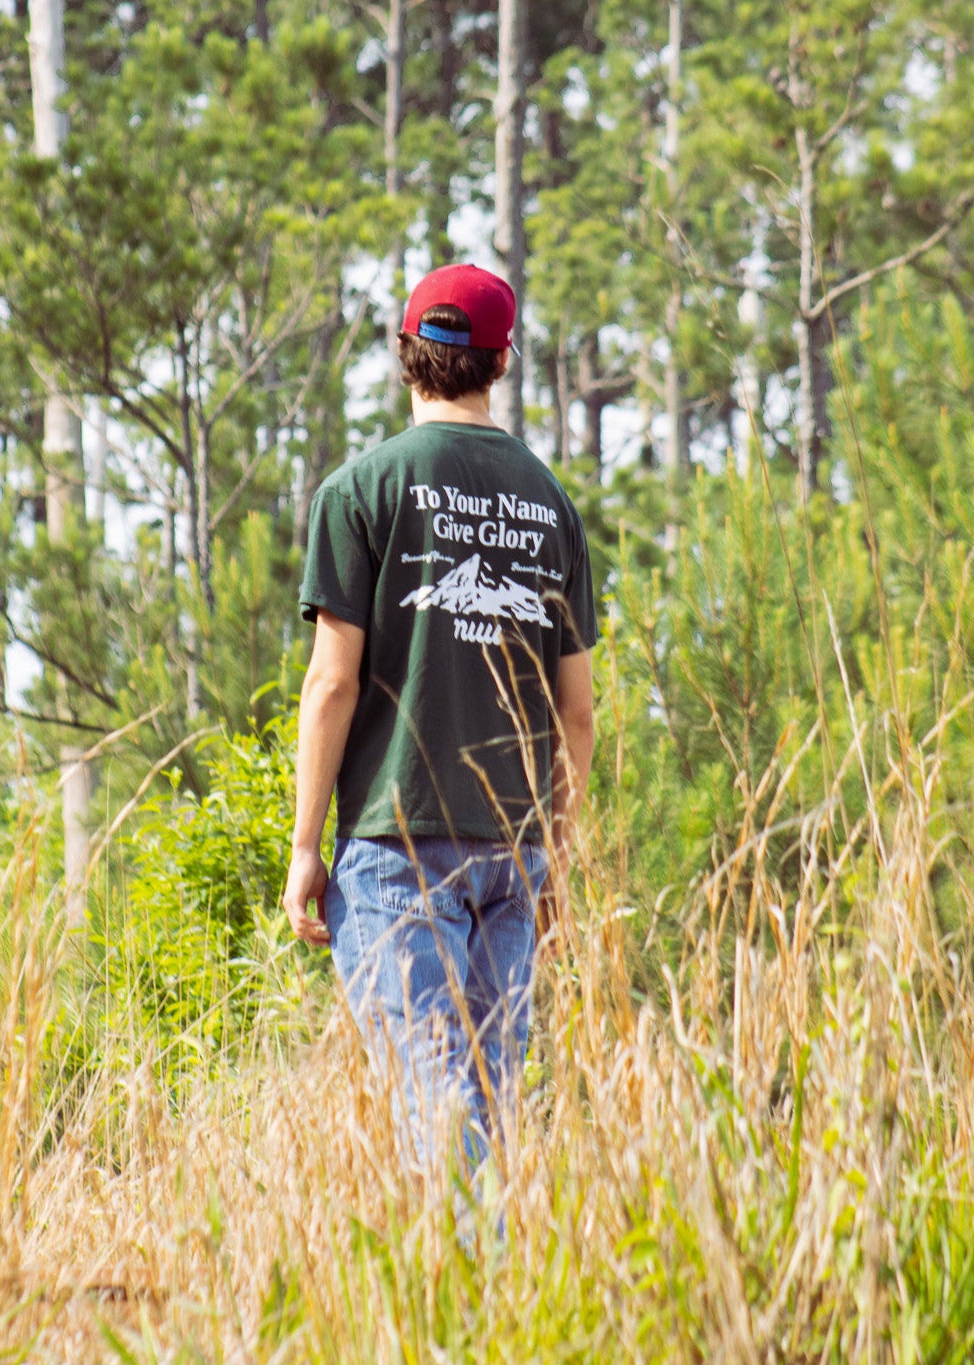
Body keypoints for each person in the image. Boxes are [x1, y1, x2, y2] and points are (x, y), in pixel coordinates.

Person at [281, 263, 597, 1170]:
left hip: (397, 840)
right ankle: (494, 1300)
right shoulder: (552, 506)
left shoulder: (359, 490)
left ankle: (461, 1295)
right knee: (488, 1103)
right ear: (500, 360)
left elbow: (331, 685)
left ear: (405, 356)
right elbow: (577, 715)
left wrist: (307, 847)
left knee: (431, 1100)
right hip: (513, 847)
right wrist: (554, 861)